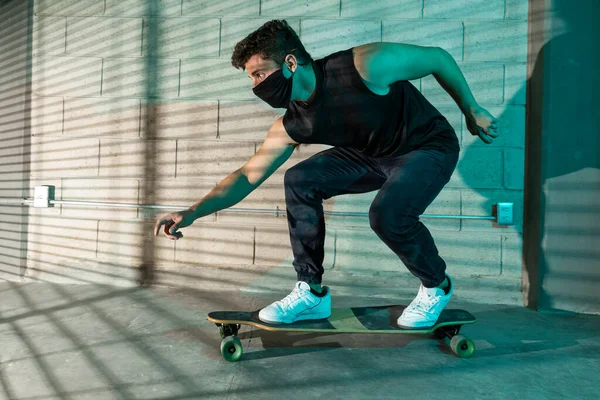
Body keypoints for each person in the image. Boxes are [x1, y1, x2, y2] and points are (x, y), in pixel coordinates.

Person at [154, 20, 498, 329]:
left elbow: (437, 57)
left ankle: (437, 285)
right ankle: (312, 292)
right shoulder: (292, 124)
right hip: (372, 155)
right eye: (251, 80)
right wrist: (193, 211)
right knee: (300, 179)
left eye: (259, 74)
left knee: (387, 215)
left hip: (426, 147)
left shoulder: (363, 66)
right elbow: (247, 176)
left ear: (290, 63)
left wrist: (472, 108)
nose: (256, 86)